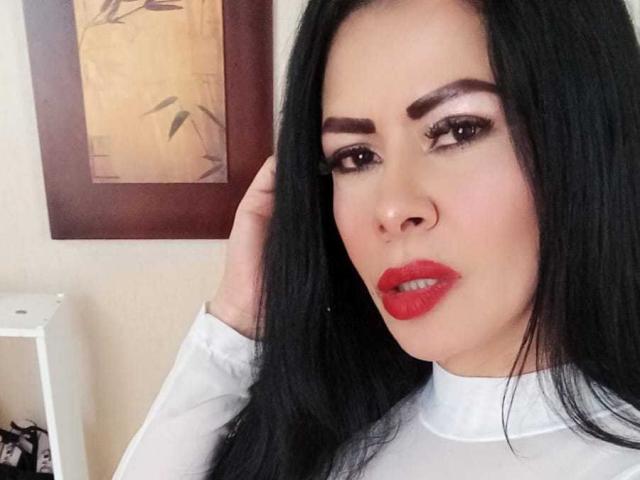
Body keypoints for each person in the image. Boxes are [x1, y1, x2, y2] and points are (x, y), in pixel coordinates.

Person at [113, 0, 640, 478]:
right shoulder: (332, 437)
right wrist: (238, 321)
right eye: (356, 156)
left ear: (583, 138)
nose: (391, 209)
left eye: (456, 130)